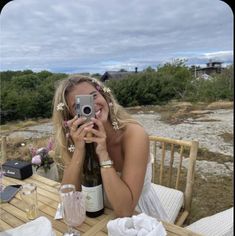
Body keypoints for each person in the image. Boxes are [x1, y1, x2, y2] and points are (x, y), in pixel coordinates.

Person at [52, 74, 168, 220]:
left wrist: (102, 153)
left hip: (138, 215)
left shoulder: (134, 134)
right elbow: (68, 199)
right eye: (79, 105)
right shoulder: (80, 140)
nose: (91, 106)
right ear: (70, 117)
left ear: (105, 96)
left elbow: (125, 210)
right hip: (99, 214)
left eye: (93, 96)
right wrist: (79, 150)